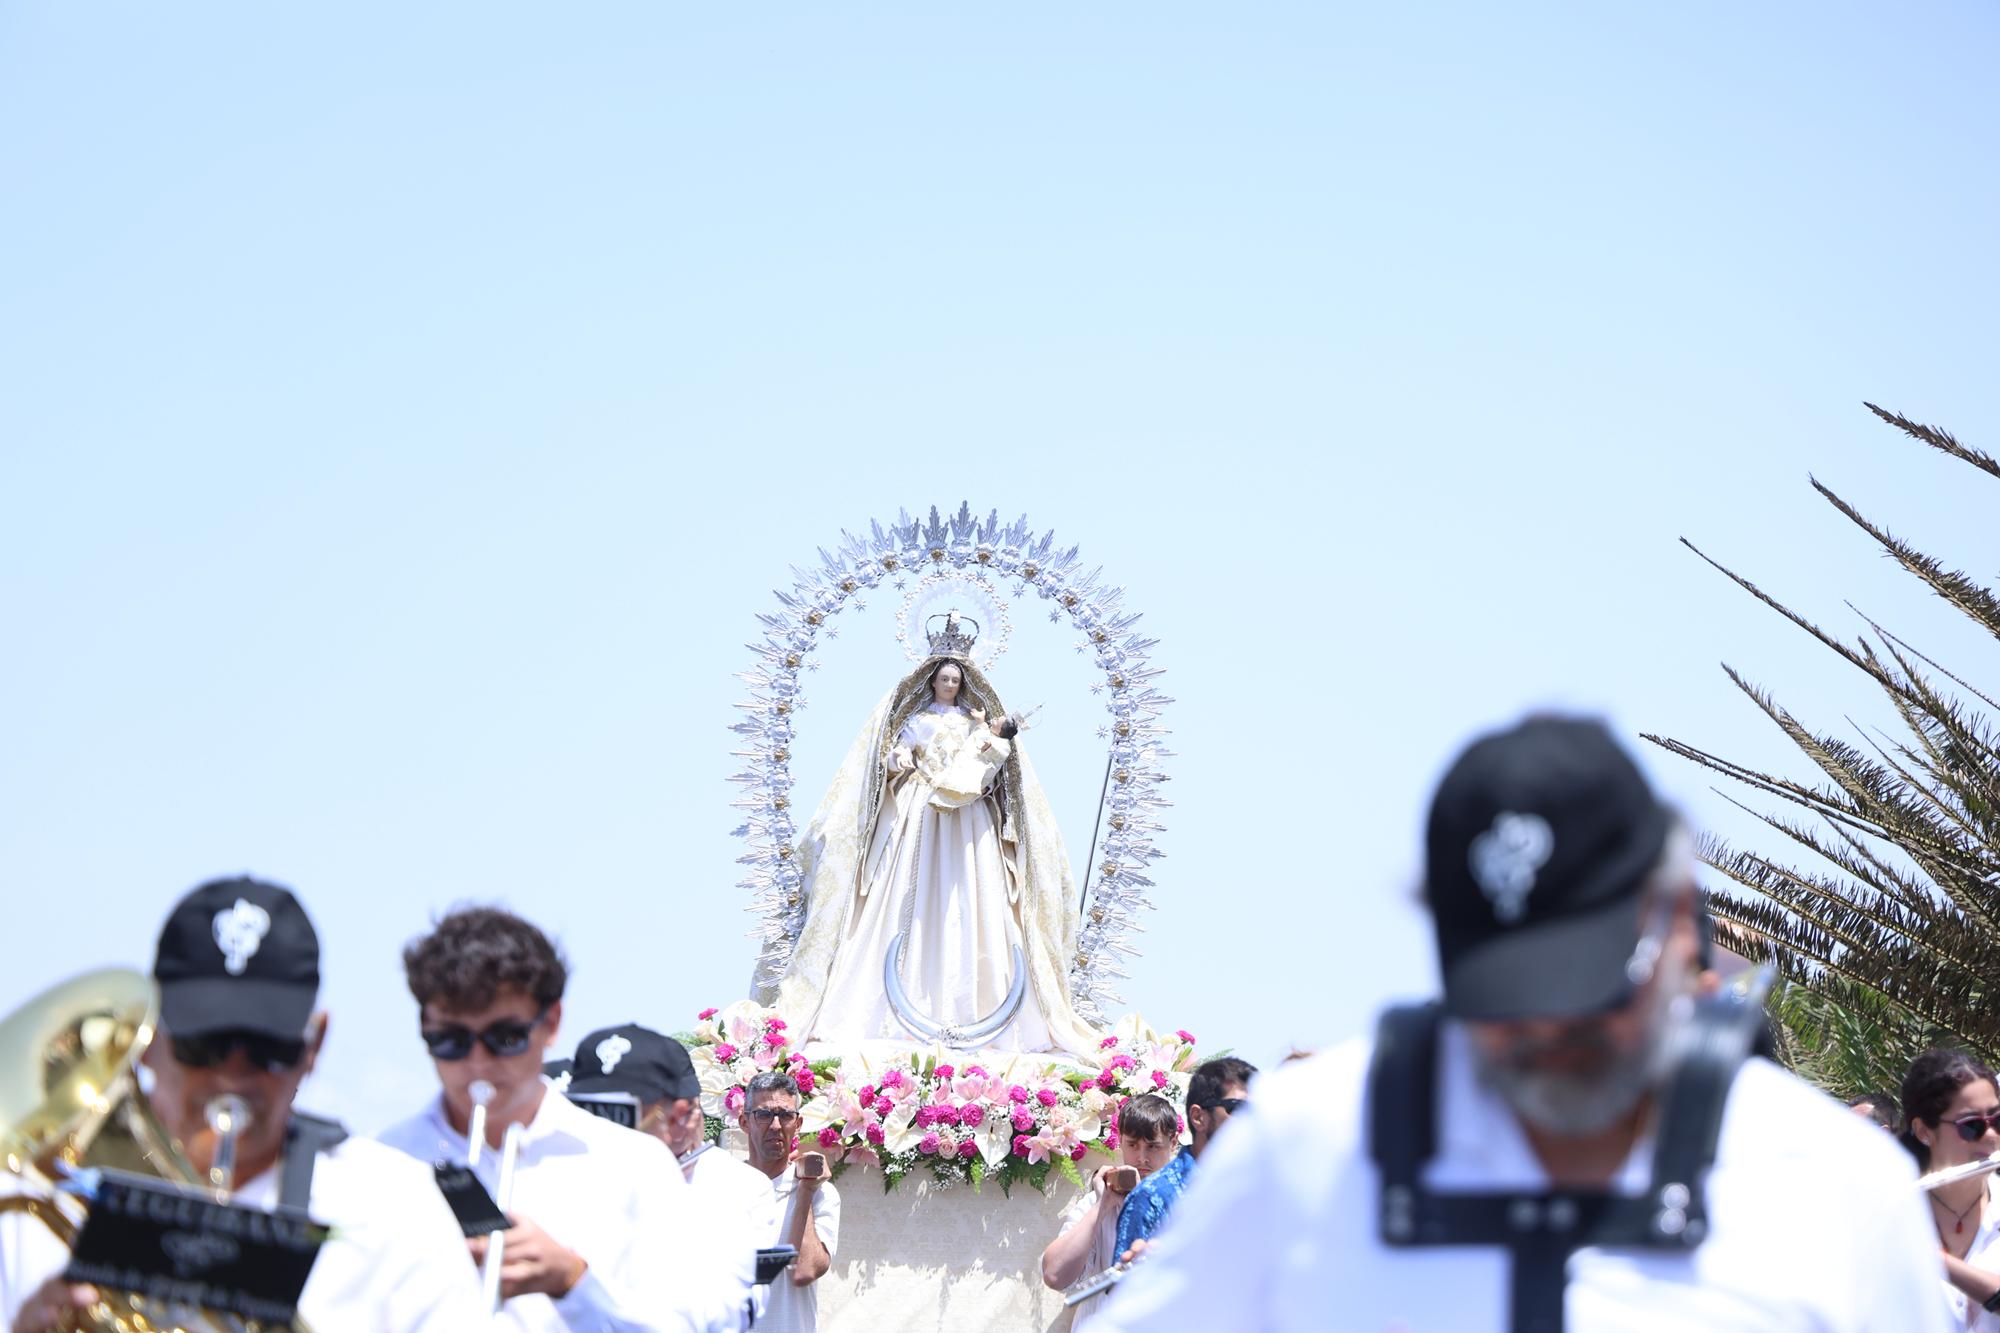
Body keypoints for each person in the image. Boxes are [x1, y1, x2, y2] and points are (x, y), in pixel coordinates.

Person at [1096, 714, 1954, 1331]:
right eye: (1505, 992)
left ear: (1681, 925)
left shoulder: (1835, 1187)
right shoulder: (1305, 1148)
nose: (1545, 1030)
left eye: (1586, 989)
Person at [2, 876, 485, 1331]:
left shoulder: (395, 1205)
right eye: (204, 1045)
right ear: (146, 1040)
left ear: (313, 1047)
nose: (232, 1073)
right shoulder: (39, 1202)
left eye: (267, 1049)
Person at [375, 906, 750, 1332]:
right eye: (450, 1040)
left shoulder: (635, 1164)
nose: (477, 1063)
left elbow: (693, 1323)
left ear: (551, 1023)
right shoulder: (379, 1164)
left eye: (505, 1037)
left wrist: (573, 1281)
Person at [761, 644, 1099, 1057]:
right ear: (932, 682)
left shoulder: (977, 726)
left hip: (969, 818)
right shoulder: (918, 721)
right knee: (903, 893)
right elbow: (897, 753)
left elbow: (992, 763)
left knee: (972, 898)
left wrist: (989, 755)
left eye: (956, 680)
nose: (950, 685)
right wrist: (900, 759)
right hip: (919, 813)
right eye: (944, 679)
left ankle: (985, 1006)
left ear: (964, 684)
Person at [565, 1024, 776, 1329]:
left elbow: (727, 1316)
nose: (597, 1127)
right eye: (586, 1110)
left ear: (681, 1118)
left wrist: (575, 1280)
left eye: (616, 1114)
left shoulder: (740, 1190)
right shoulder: (571, 1173)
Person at [1039, 1093, 1180, 1328]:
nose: (1141, 1158)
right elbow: (1054, 1275)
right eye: (1133, 1145)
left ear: (1173, 1143)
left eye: (1153, 1147)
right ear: (1120, 1140)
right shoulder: (1095, 1203)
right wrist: (1102, 1206)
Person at [1112, 1057, 1256, 1260]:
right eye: (1236, 1108)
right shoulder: (1153, 1196)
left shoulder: (1256, 1192)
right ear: (1198, 1117)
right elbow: (1121, 1289)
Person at [1901, 1049, 2000, 1327]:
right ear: (1923, 1131)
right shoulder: (1891, 1214)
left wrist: (1938, 1262)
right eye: (1972, 1126)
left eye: (1998, 1120)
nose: (1991, 1136)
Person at [739, 1071, 839, 1333]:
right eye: (763, 1114)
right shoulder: (721, 1189)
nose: (775, 1125)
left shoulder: (822, 1193)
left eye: (785, 1115)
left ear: (798, 1123)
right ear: (744, 1121)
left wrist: (805, 1189)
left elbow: (803, 1272)